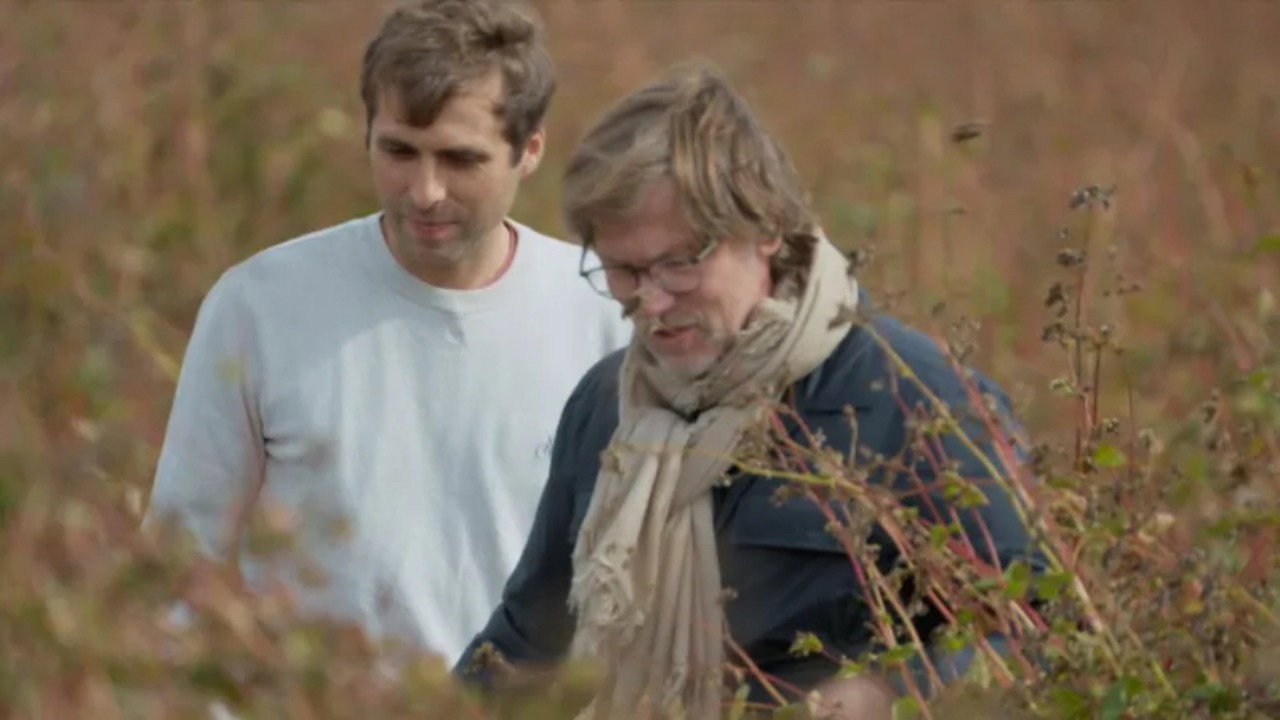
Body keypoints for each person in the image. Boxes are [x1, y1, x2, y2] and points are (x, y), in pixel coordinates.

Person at [454, 63, 1040, 719]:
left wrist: (885, 693)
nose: (651, 301)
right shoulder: (606, 405)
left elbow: (1038, 633)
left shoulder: (914, 398)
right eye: (623, 269)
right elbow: (528, 645)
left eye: (680, 262)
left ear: (765, 229)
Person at [144, 0, 630, 665]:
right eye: (399, 151)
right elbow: (182, 561)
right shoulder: (259, 305)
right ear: (366, 131)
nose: (425, 191)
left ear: (530, 151)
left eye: (461, 160)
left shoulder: (606, 314)